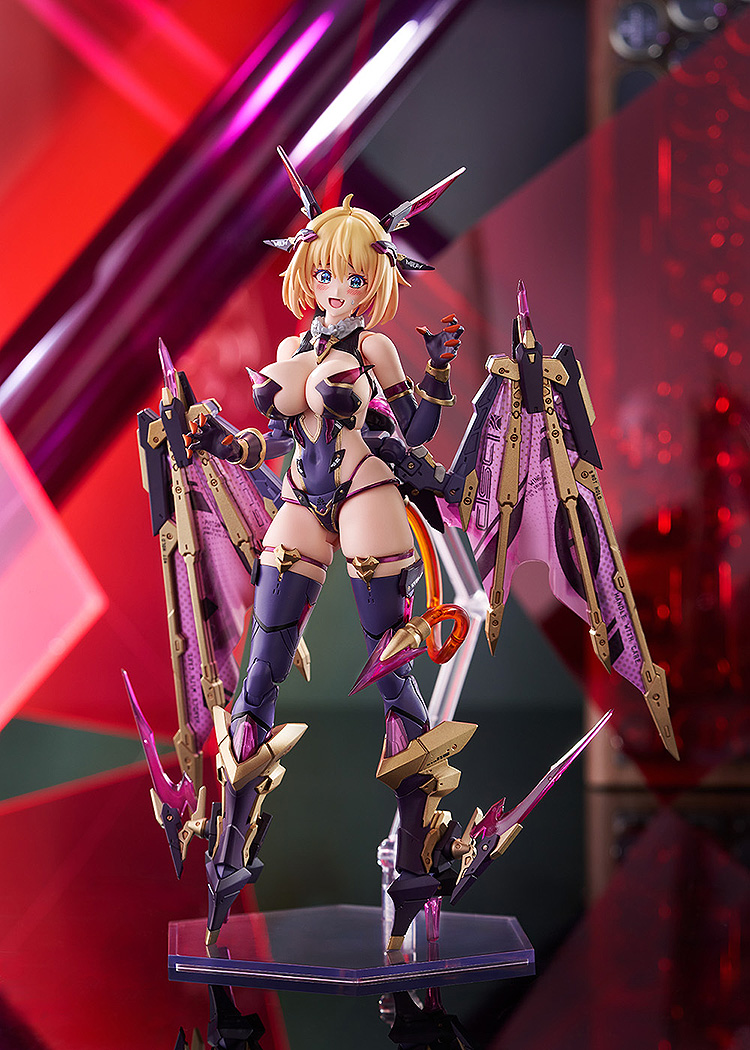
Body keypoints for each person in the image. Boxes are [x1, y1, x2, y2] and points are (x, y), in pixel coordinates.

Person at [189, 160, 475, 947]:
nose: (337, 289)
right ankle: (229, 853)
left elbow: (416, 431)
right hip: (300, 501)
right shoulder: (293, 344)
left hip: (367, 491)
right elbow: (271, 442)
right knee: (259, 673)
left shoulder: (377, 349)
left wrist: (438, 370)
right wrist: (221, 440)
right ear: (307, 275)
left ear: (373, 280)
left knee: (392, 665)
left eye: (352, 277)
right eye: (325, 275)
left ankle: (415, 855)